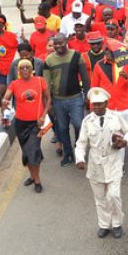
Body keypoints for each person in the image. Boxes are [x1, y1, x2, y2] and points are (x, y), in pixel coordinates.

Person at [75, 87, 128, 239]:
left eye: (100, 104)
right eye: (94, 104)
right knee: (100, 198)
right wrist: (80, 159)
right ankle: (104, 225)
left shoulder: (115, 117)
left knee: (113, 196)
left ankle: (117, 223)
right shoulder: (87, 121)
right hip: (96, 164)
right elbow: (81, 143)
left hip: (113, 161)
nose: (97, 107)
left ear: (106, 103)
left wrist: (124, 142)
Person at [1, 58, 51, 193]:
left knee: (33, 150)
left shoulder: (40, 81)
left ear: (31, 69)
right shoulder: (14, 84)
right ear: (18, 71)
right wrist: (5, 101)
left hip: (37, 124)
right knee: (27, 152)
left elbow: (48, 99)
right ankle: (32, 175)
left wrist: (44, 115)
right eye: (22, 68)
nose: (24, 70)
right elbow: (7, 96)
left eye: (27, 67)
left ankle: (37, 180)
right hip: (21, 124)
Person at [43, 33, 91, 167]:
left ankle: (78, 149)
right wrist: (49, 102)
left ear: (66, 42)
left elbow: (85, 78)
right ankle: (67, 153)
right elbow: (46, 84)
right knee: (62, 128)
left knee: (78, 125)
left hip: (76, 98)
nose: (58, 46)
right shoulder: (49, 60)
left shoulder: (77, 56)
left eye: (61, 43)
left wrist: (88, 96)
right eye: (56, 44)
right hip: (58, 100)